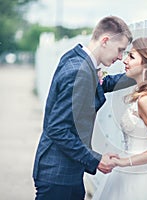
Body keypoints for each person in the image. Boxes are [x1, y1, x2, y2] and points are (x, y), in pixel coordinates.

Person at [32, 16, 136, 200]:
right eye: (120, 50)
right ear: (105, 40)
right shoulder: (78, 71)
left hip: (67, 170)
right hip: (58, 174)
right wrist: (95, 160)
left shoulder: (78, 59)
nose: (121, 57)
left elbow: (100, 85)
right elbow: (57, 128)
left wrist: (138, 74)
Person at [92, 37, 147, 200]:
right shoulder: (145, 96)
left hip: (142, 177)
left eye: (131, 56)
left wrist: (124, 162)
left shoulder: (145, 100)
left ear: (146, 64)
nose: (124, 60)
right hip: (133, 169)